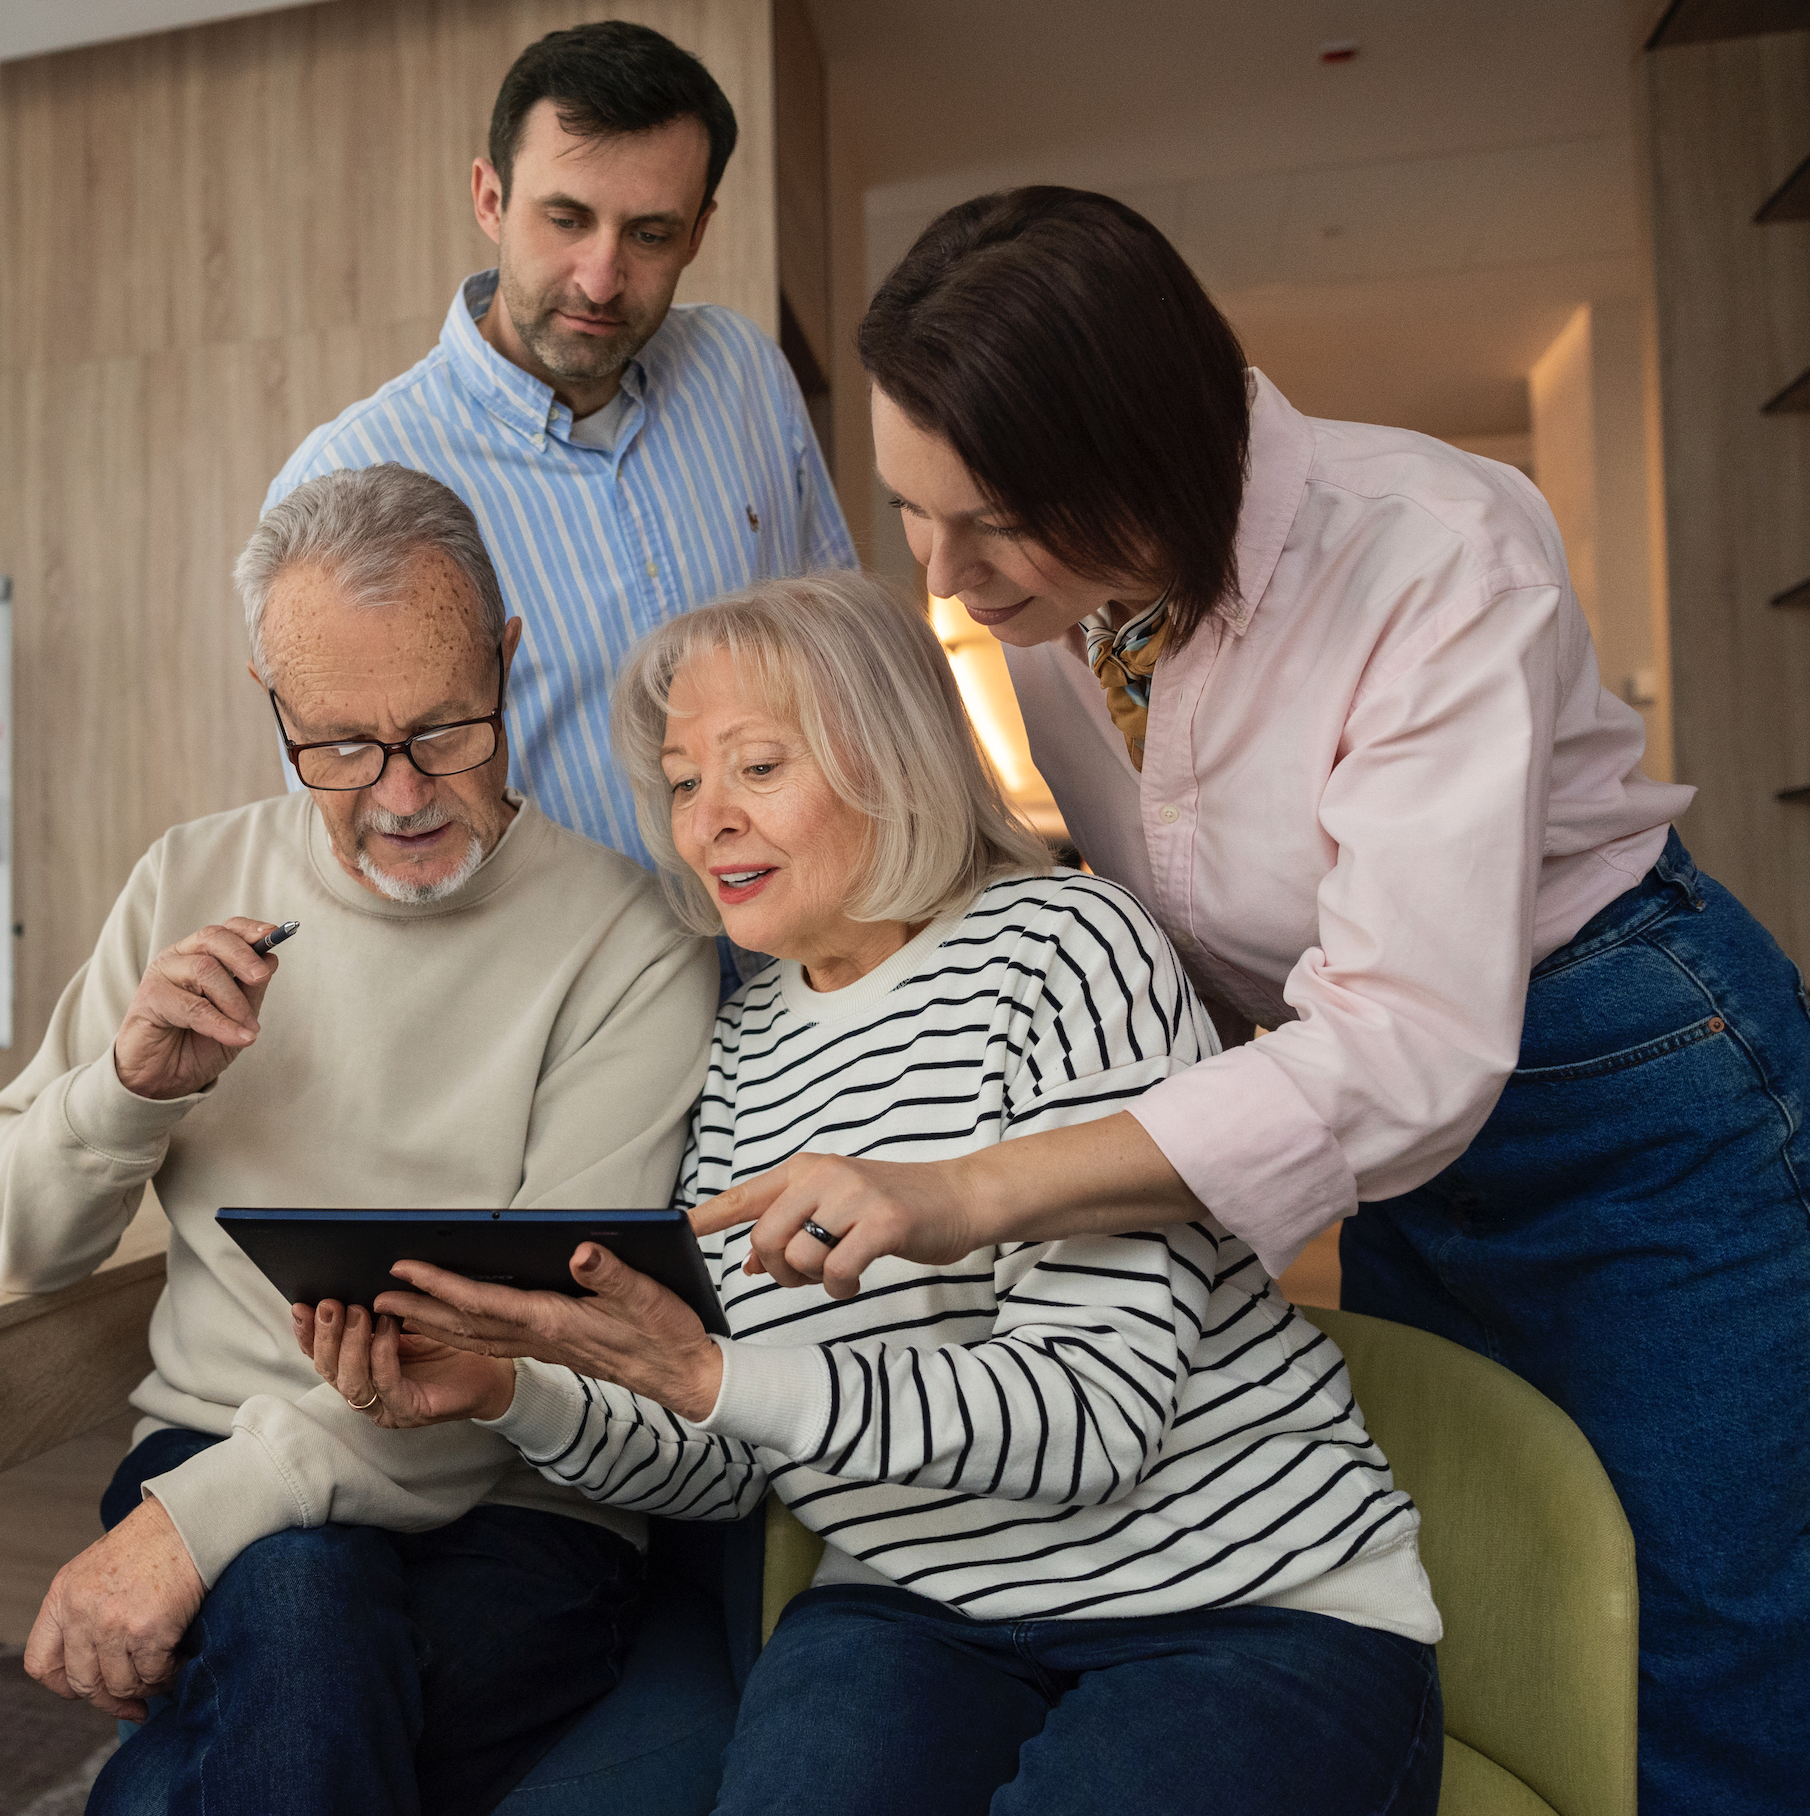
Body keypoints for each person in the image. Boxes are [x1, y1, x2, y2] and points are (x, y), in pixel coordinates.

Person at [685, 188, 1810, 1816]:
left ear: (1143, 452)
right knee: (1491, 1591)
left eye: (984, 523)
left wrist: (969, 1189)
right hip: (1368, 1118)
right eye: (914, 513)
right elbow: (1183, 929)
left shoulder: (1438, 548)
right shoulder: (1056, 603)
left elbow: (1408, 1053)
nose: (947, 575)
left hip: (1622, 1075)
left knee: (1708, 1660)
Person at [298, 572, 1445, 1816]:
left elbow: (1096, 1417)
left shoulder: (1070, 946)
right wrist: (511, 1389)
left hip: (1234, 1602)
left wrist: (718, 1377)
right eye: (684, 784)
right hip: (910, 1608)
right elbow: (731, 1462)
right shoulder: (741, 1053)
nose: (707, 823)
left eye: (756, 767)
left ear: (888, 759)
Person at [4, 465, 717, 1815]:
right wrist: (129, 1084)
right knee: (307, 1603)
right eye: (336, 746)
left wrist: (182, 1537)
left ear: (508, 664)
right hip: (210, 1446)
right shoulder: (189, 879)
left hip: (516, 1501)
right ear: (270, 699)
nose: (398, 796)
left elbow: (540, 1346)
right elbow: (26, 1245)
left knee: (241, 1713)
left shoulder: (627, 942)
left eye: (446, 730)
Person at [266, 20, 854, 894]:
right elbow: (354, 832)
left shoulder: (743, 373)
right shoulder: (349, 477)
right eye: (566, 219)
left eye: (650, 234)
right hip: (574, 1008)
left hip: (802, 969)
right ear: (491, 198)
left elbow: (843, 665)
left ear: (698, 231)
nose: (601, 277)